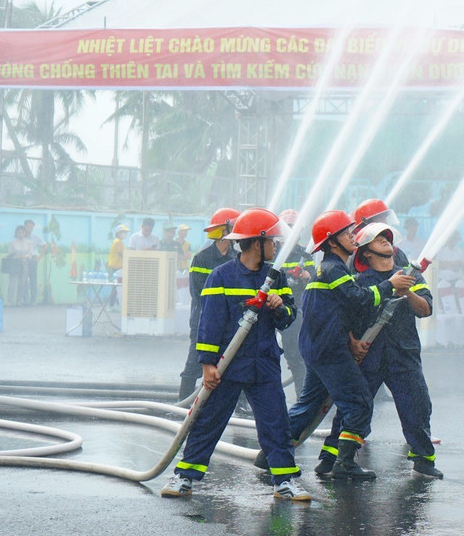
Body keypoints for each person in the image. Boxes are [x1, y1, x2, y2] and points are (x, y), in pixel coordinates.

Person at [161, 207, 309, 503]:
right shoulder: (221, 276)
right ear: (257, 243)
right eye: (273, 242)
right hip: (228, 363)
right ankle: (185, 477)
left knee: (276, 422)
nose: (277, 247)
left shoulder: (274, 277)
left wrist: (280, 306)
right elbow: (210, 322)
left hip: (264, 363)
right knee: (209, 420)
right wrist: (207, 365)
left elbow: (290, 317)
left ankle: (285, 482)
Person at [279, 212, 415, 480]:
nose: (354, 237)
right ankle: (344, 464)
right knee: (359, 402)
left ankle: (271, 452)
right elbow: (359, 299)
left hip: (319, 346)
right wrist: (390, 285)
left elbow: (341, 308)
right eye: (346, 233)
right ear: (331, 242)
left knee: (308, 406)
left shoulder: (328, 268)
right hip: (329, 350)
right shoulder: (334, 269)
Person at [343, 223, 443, 479]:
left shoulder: (410, 276)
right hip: (370, 355)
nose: (385, 241)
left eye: (387, 237)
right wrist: (353, 343)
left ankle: (423, 459)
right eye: (378, 239)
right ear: (366, 252)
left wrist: (406, 292)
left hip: (403, 354)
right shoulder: (359, 282)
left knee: (418, 405)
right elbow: (345, 317)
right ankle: (339, 459)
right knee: (357, 407)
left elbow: (425, 309)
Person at [177, 208, 238, 401]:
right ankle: (183, 403)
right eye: (233, 227)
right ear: (223, 231)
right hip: (203, 323)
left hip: (229, 325)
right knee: (194, 366)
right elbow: (198, 294)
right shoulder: (202, 258)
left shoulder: (237, 258)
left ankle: (239, 405)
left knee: (234, 364)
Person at [276, 209, 314, 390]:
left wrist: (307, 277)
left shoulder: (305, 255)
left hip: (295, 310)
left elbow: (315, 283)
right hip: (273, 308)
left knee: (297, 356)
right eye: (288, 227)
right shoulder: (274, 253)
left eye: (294, 227)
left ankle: (302, 397)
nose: (291, 231)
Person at [5, 224, 33, 307]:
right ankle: (10, 301)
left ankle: (19, 301)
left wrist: (20, 256)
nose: (21, 234)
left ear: (25, 233)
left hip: (24, 264)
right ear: (16, 233)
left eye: (22, 232)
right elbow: (11, 254)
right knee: (12, 283)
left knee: (22, 283)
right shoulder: (12, 242)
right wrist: (19, 256)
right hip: (14, 264)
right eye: (19, 232)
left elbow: (30, 255)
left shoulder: (29, 243)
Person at [22, 219, 46, 305]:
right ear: (25, 226)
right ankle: (25, 299)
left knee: (33, 280)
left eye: (31, 227)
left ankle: (33, 300)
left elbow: (45, 245)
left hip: (33, 259)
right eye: (28, 226)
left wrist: (39, 257)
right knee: (23, 280)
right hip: (23, 260)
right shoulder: (21, 236)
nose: (30, 228)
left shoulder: (35, 237)